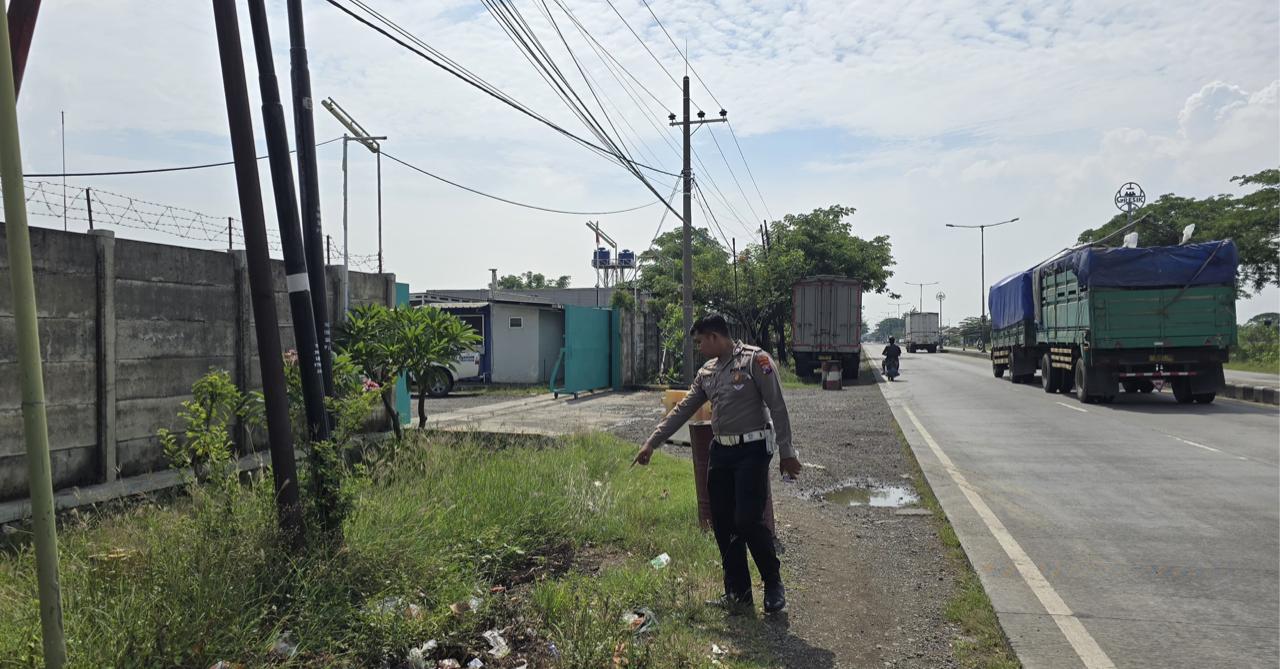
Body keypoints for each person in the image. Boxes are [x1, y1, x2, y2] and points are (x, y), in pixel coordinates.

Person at [633, 314, 801, 614]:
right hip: (721, 453)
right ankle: (738, 593)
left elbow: (777, 406)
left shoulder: (754, 360)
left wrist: (787, 452)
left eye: (700, 342)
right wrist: (652, 442)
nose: (698, 348)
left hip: (752, 450)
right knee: (723, 524)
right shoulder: (707, 372)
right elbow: (683, 409)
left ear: (713, 336)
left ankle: (773, 582)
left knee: (748, 519)